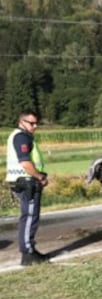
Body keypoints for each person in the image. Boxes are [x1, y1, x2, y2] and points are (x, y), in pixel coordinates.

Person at [5, 110, 50, 265]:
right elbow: (25, 162)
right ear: (21, 122)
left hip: (23, 181)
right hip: (27, 182)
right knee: (29, 218)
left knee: (30, 217)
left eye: (36, 123)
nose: (35, 126)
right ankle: (28, 254)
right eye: (31, 123)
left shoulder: (21, 136)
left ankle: (30, 249)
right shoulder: (21, 137)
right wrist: (40, 177)